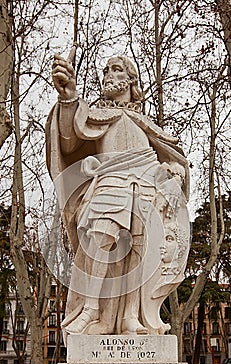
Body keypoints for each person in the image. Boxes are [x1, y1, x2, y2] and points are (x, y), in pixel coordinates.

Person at [46, 48, 190, 338]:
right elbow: (68, 140)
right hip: (111, 181)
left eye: (115, 69)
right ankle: (90, 308)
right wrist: (68, 97)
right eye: (106, 70)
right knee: (102, 232)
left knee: (141, 247)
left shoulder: (144, 122)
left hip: (146, 184)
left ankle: (129, 317)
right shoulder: (95, 115)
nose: (108, 75)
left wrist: (175, 169)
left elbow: (171, 157)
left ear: (131, 79)